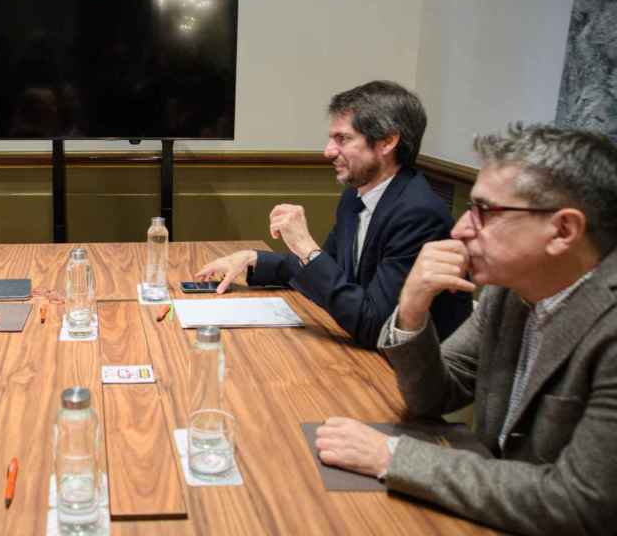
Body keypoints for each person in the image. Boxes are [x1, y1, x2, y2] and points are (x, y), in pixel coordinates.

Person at [316, 125, 617, 534]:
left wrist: (391, 456)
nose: (459, 229)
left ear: (563, 230)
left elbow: (578, 503)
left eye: (485, 212)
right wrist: (412, 307)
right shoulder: (510, 292)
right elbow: (434, 395)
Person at [196, 80, 471, 348]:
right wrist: (253, 258)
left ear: (387, 142)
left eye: (343, 139)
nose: (328, 151)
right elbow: (327, 270)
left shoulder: (418, 214)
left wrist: (305, 246)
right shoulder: (355, 196)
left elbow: (376, 327)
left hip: (404, 376)